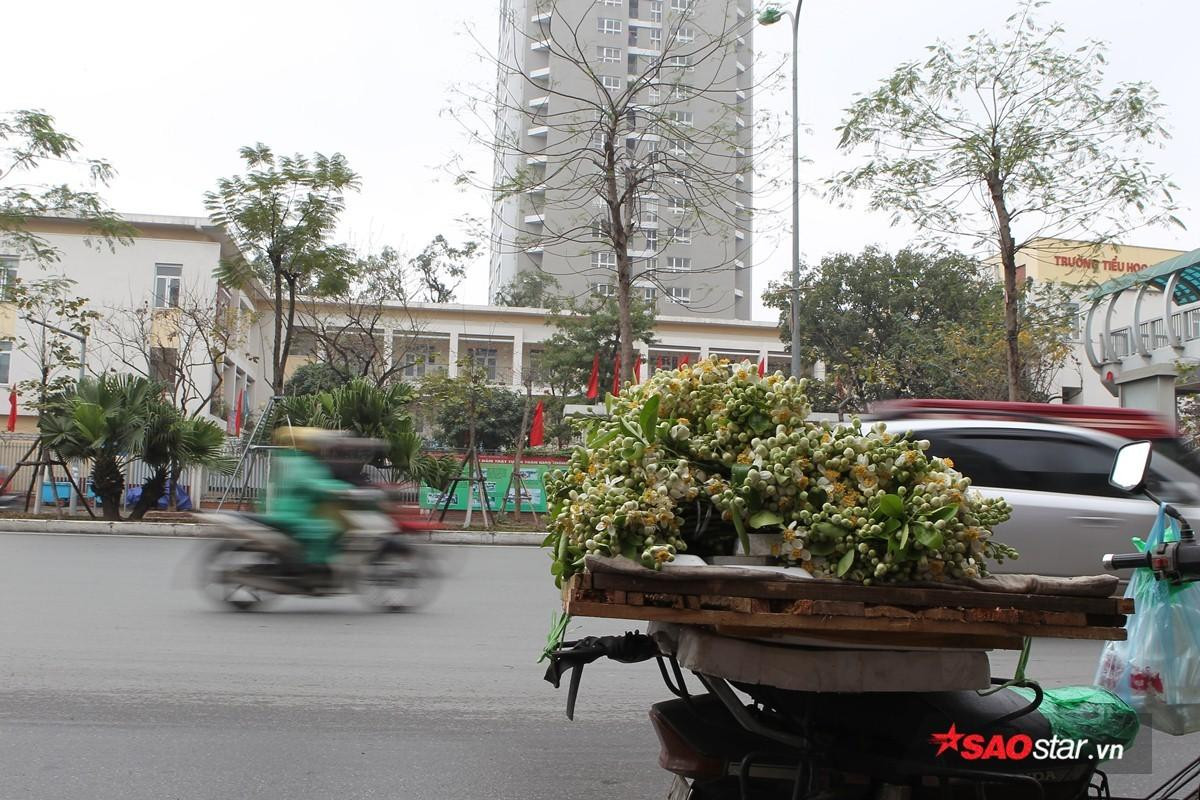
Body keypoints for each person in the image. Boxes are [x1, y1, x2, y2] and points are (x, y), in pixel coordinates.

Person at [261, 426, 354, 578]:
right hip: (292, 512)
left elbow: (320, 482)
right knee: (323, 529)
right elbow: (310, 483)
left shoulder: (303, 460)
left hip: (302, 510)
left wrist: (342, 489)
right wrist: (342, 490)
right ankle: (315, 567)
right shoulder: (298, 461)